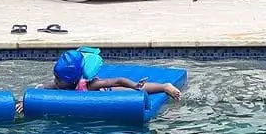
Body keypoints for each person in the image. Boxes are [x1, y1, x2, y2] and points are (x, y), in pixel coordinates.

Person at [38, 48, 182, 100]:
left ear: (72, 80)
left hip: (106, 93)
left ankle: (164, 86)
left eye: (59, 79)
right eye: (56, 76)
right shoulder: (58, 84)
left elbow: (118, 80)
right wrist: (25, 102)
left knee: (136, 90)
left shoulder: (91, 85)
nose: (55, 80)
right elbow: (40, 88)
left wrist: (135, 85)